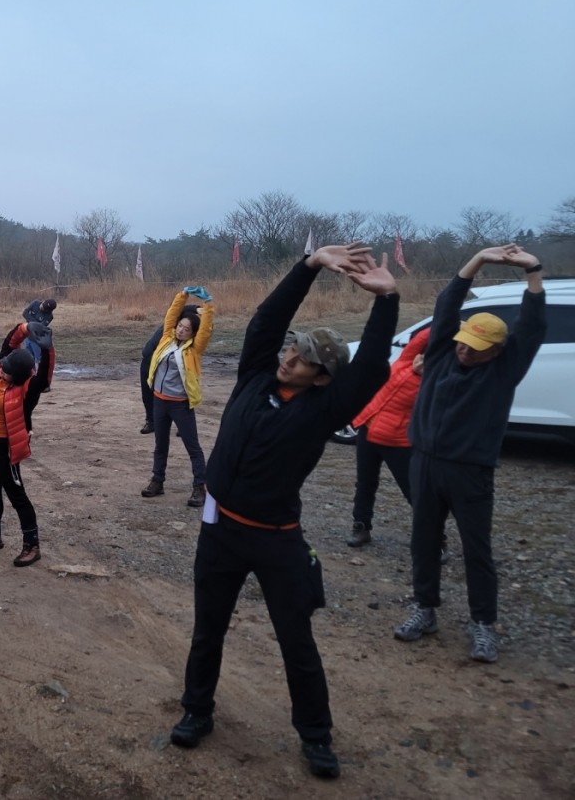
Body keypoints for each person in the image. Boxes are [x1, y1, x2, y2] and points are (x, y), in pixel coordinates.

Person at [169, 243, 399, 781]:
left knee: (296, 641)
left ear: (322, 377)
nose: (288, 358)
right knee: (207, 630)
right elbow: (266, 322)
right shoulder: (256, 376)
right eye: (291, 349)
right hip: (220, 532)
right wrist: (309, 265)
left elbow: (370, 368)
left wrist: (387, 300)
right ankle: (197, 710)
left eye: (302, 359)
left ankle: (316, 736)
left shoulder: (325, 408)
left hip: (276, 540)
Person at [394, 245, 546, 664]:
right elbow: (447, 305)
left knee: (476, 550)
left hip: (470, 470)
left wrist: (533, 271)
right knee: (424, 542)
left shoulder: (504, 370)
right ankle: (424, 609)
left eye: (476, 347)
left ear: (497, 349)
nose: (465, 350)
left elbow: (532, 326)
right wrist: (478, 260)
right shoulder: (442, 353)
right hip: (424, 462)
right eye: (464, 342)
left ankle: (483, 624)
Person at [0, 345, 53, 567]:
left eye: (6, 370)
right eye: (2, 366)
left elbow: (43, 379)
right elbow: (9, 344)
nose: (0, 369)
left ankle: (32, 546)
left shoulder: (26, 391)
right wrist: (25, 329)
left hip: (4, 449)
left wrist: (47, 349)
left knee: (17, 497)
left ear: (18, 377)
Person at [346, 327, 430, 548]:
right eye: (422, 356)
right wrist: (448, 324)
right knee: (365, 483)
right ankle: (361, 526)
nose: (420, 362)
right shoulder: (405, 361)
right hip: (368, 430)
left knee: (413, 490)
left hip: (397, 441)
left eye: (428, 360)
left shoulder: (435, 382)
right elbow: (422, 338)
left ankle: (436, 539)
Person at [141, 287, 215, 507]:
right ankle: (157, 481)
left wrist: (208, 305)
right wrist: (182, 295)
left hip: (180, 404)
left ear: (193, 333)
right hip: (159, 400)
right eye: (180, 326)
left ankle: (199, 487)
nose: (181, 330)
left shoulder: (194, 350)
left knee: (192, 446)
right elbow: (171, 315)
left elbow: (206, 329)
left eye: (186, 329)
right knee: (160, 444)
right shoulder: (167, 338)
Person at [0, 298, 57, 387]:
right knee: (29, 359)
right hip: (27, 337)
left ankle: (40, 381)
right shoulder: (35, 303)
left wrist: (31, 323)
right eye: (42, 306)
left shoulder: (49, 317)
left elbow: (40, 326)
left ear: (49, 311)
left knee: (38, 360)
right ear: (43, 302)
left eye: (44, 309)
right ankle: (30, 378)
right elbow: (25, 313)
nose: (42, 308)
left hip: (37, 341)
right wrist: (32, 325)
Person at [139, 326, 163, 434]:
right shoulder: (167, 324)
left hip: (161, 365)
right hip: (147, 361)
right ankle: (151, 421)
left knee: (167, 396)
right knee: (147, 395)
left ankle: (182, 424)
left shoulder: (182, 327)